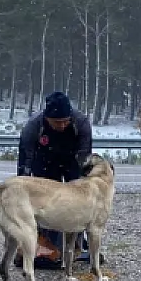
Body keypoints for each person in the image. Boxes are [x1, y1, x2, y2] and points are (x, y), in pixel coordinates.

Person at [14, 91, 95, 269]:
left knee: (77, 203)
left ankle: (77, 246)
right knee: (48, 205)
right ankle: (46, 243)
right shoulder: (34, 126)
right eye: (58, 122)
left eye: (66, 121)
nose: (63, 125)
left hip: (73, 160)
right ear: (47, 117)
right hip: (44, 160)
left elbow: (85, 160)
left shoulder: (80, 123)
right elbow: (24, 161)